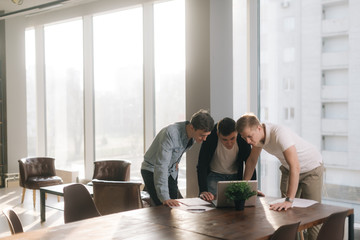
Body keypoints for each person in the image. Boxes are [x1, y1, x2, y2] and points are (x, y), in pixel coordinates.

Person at [236, 113, 323, 240]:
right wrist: (244, 187)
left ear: (259, 128)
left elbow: (296, 166)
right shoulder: (257, 139)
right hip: (289, 169)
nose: (248, 141)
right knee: (286, 214)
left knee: (313, 215)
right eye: (245, 138)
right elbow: (251, 162)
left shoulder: (279, 134)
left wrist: (289, 200)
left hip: (311, 167)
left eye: (249, 136)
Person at [141, 109, 214, 207]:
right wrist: (165, 198)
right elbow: (161, 166)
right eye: (202, 135)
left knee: (176, 205)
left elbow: (177, 151)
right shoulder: (170, 133)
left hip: (171, 170)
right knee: (164, 205)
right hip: (152, 169)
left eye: (206, 136)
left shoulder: (192, 135)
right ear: (192, 127)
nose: (204, 139)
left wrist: (175, 161)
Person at [197, 117, 257, 201]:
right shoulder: (210, 136)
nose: (229, 143)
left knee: (236, 206)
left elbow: (250, 163)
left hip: (235, 177)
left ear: (237, 133)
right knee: (211, 204)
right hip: (214, 176)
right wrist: (203, 190)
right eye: (224, 140)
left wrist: (252, 189)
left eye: (232, 138)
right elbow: (202, 164)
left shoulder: (242, 137)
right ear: (218, 134)